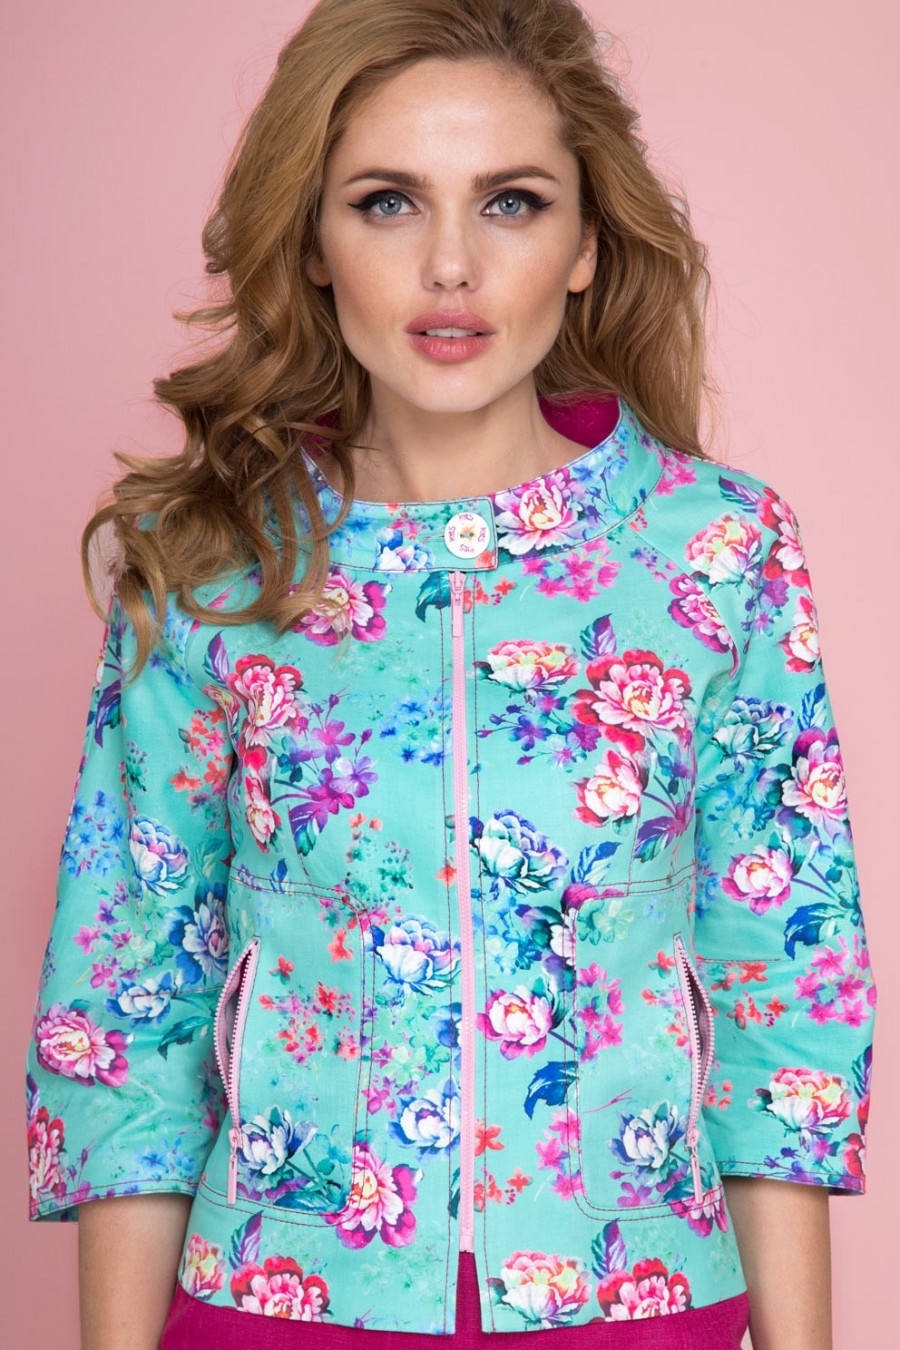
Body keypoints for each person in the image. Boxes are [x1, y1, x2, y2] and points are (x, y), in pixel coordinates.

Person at [25, 1, 876, 1347]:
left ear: (586, 245)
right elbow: (128, 1023)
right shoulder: (206, 571)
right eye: (387, 203)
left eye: (511, 203)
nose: (451, 266)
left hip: (634, 1306)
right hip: (280, 1305)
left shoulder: (719, 554)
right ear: (313, 243)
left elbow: (783, 1012)